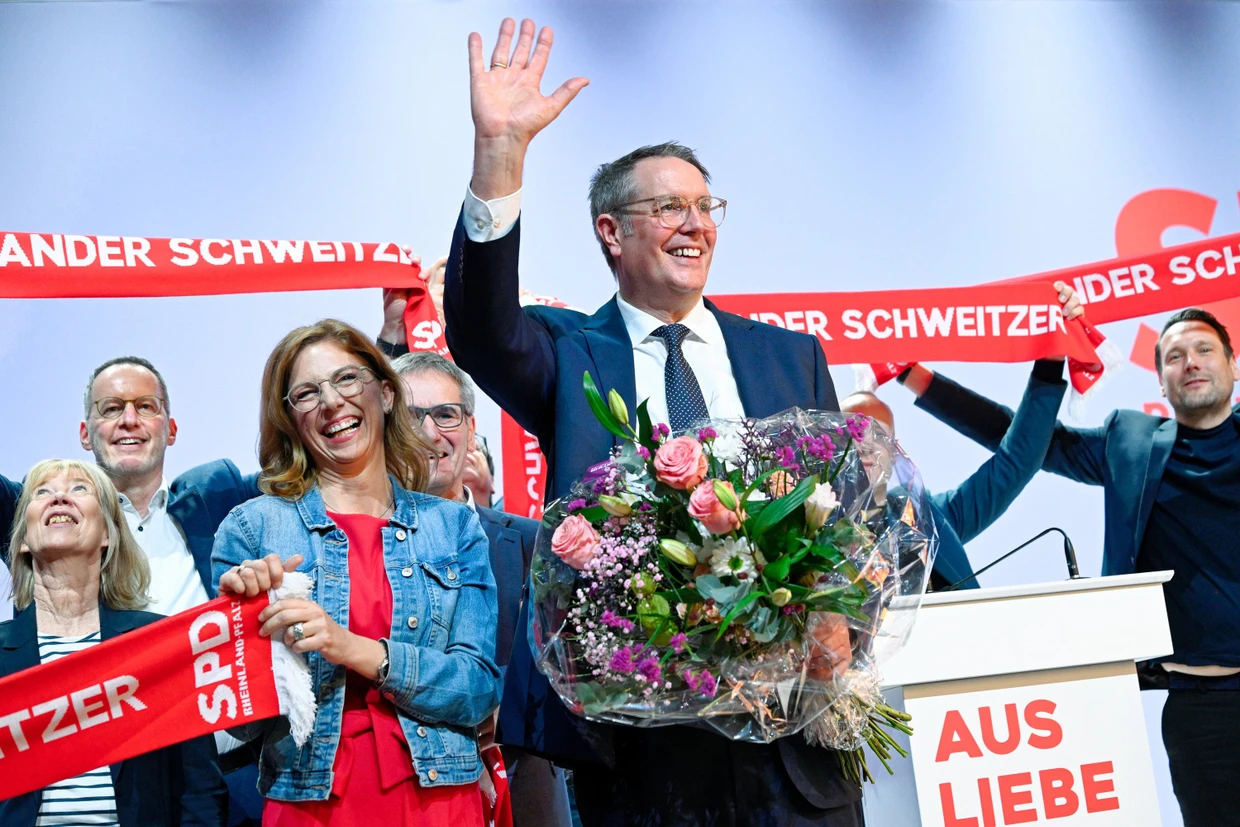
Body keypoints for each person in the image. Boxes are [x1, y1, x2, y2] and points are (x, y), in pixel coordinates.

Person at [442, 18, 853, 826]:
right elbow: (481, 327)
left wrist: (840, 621)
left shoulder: (790, 358)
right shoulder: (570, 355)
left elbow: (844, 521)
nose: (695, 224)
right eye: (670, 207)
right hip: (643, 753)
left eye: (706, 206)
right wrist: (501, 157)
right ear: (612, 232)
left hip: (795, 751)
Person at [907, 306, 1240, 827]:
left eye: (1204, 350)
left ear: (1233, 363)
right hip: (1203, 710)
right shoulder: (1131, 445)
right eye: (1175, 356)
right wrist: (918, 377)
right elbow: (1026, 444)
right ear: (1160, 378)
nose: (1191, 363)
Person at [211, 319, 502, 824]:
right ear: (290, 418)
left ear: (386, 394)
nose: (330, 402)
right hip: (310, 803)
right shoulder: (251, 529)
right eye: (306, 393)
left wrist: (351, 648)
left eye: (347, 380)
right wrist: (243, 629)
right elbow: (237, 724)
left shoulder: (453, 526)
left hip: (441, 801)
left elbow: (477, 690)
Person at [0, 356, 264, 824]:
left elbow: (326, 461)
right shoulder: (53, 519)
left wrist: (390, 338)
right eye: (110, 408)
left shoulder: (217, 499)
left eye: (146, 406)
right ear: (85, 433)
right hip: (95, 784)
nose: (129, 420)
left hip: (228, 777)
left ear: (171, 427)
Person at [391, 351, 573, 827]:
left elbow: (569, 663)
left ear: (471, 429)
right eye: (412, 417)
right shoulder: (355, 547)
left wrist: (497, 706)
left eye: (446, 415)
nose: (432, 433)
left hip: (525, 790)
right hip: (403, 793)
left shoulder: (535, 542)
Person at [0, 459, 226, 826]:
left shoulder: (159, 646)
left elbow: (200, 791)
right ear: (23, 540)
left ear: (107, 532)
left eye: (79, 489)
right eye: (42, 492)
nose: (60, 496)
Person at [841, 284, 1080, 590]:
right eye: (855, 433)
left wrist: (1050, 362)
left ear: (894, 451)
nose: (867, 447)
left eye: (880, 437)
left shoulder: (925, 518)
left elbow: (1017, 462)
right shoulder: (803, 526)